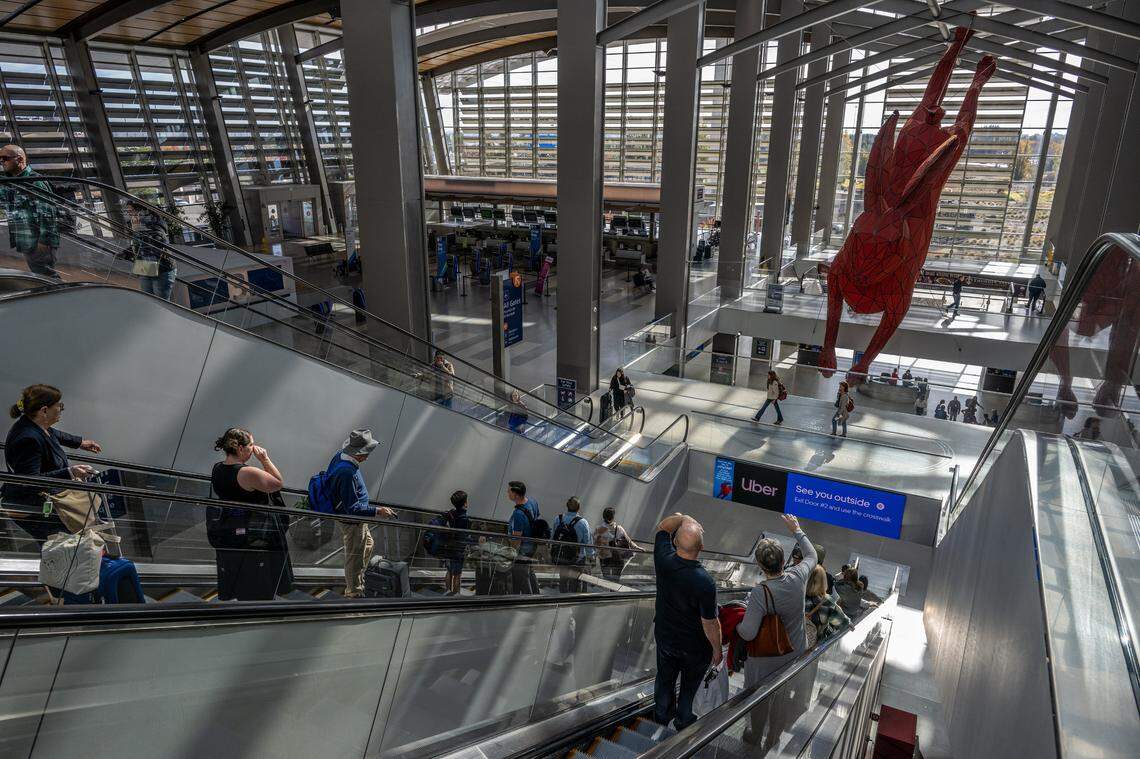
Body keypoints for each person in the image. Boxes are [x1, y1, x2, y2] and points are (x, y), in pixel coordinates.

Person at [737, 515, 816, 749]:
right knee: (782, 697)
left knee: (760, 699)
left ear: (761, 566)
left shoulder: (761, 592)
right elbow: (812, 555)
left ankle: (756, 734)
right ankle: (774, 736)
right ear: (784, 560)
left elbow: (749, 633)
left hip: (765, 660)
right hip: (795, 654)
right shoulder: (798, 576)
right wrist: (797, 530)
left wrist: (737, 625)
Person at [2, 385, 102, 547]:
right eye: (59, 406)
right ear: (44, 411)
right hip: (34, 507)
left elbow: (54, 434)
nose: (61, 409)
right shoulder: (28, 440)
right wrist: (70, 472)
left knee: (68, 546)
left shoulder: (33, 424)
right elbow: (30, 481)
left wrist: (80, 443)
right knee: (62, 549)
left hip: (45, 500)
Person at [652, 512, 721, 730]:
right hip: (695, 647)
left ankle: (662, 716)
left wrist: (684, 518)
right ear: (701, 548)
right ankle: (683, 719)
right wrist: (717, 650)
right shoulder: (705, 582)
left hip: (666, 639)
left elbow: (662, 526)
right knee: (690, 685)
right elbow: (710, 623)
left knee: (664, 679)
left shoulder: (663, 559)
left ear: (674, 542)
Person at [208, 427, 293, 601]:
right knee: (256, 580)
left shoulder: (217, 468)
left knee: (240, 575)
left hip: (230, 531)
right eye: (251, 445)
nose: (254, 448)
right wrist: (265, 459)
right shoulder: (246, 473)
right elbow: (277, 483)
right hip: (253, 536)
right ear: (240, 448)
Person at [320, 429, 397, 597]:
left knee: (367, 544)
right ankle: (354, 591)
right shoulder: (346, 472)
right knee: (354, 555)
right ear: (358, 453)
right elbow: (352, 508)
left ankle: (357, 577)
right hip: (352, 521)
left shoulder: (341, 455)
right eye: (366, 452)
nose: (367, 456)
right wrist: (379, 511)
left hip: (356, 519)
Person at [0, 145, 61, 278]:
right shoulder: (15, 182)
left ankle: (65, 297)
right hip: (29, 241)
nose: (2, 162)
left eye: (5, 158)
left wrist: (43, 242)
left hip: (39, 243)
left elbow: (48, 214)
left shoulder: (35, 182)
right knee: (41, 275)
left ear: (20, 159)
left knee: (47, 277)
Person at [131, 205, 177, 301]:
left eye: (136, 214)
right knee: (149, 301)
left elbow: (155, 244)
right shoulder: (139, 228)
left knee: (161, 303)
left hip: (160, 268)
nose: (133, 216)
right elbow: (138, 246)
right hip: (146, 266)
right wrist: (125, 253)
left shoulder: (155, 227)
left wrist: (137, 230)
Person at [551, 496, 592, 593]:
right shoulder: (583, 522)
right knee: (575, 581)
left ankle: (562, 600)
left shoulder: (558, 519)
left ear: (567, 506)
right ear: (579, 508)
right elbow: (588, 542)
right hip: (577, 558)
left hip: (561, 556)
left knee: (563, 580)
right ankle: (572, 602)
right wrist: (591, 555)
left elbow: (553, 538)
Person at [507, 480, 541, 595]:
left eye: (509, 491)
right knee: (529, 571)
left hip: (523, 549)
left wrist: (510, 549)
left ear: (516, 494)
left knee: (522, 576)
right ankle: (537, 596)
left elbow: (516, 538)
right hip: (533, 544)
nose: (507, 493)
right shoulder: (532, 502)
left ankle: (529, 599)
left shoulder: (518, 513)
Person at [438, 490, 472, 594]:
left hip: (448, 546)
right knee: (457, 574)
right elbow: (464, 535)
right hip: (458, 549)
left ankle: (447, 592)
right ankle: (456, 595)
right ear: (465, 503)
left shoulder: (451, 513)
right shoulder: (464, 518)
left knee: (449, 571)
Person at [594, 506, 641, 581]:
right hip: (617, 558)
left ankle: (609, 592)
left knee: (606, 580)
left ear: (603, 516)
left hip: (604, 558)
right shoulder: (619, 528)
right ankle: (613, 591)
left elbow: (595, 544)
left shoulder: (598, 529)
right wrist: (637, 547)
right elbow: (629, 541)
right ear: (613, 517)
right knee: (615, 580)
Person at [805, 566, 850, 644]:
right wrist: (848, 622)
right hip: (809, 649)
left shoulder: (795, 594)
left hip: (788, 644)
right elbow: (842, 622)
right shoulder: (826, 602)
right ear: (823, 582)